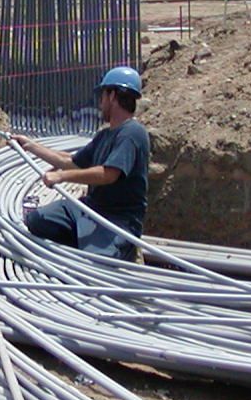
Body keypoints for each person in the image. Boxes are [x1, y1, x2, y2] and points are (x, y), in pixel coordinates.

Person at [12, 66, 149, 260]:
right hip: (90, 209)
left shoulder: (132, 133)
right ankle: (83, 244)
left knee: (95, 264)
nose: (100, 103)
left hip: (117, 220)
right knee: (37, 221)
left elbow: (108, 174)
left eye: (102, 96)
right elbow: (71, 161)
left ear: (112, 95)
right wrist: (31, 146)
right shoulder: (105, 135)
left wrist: (61, 176)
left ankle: (120, 250)